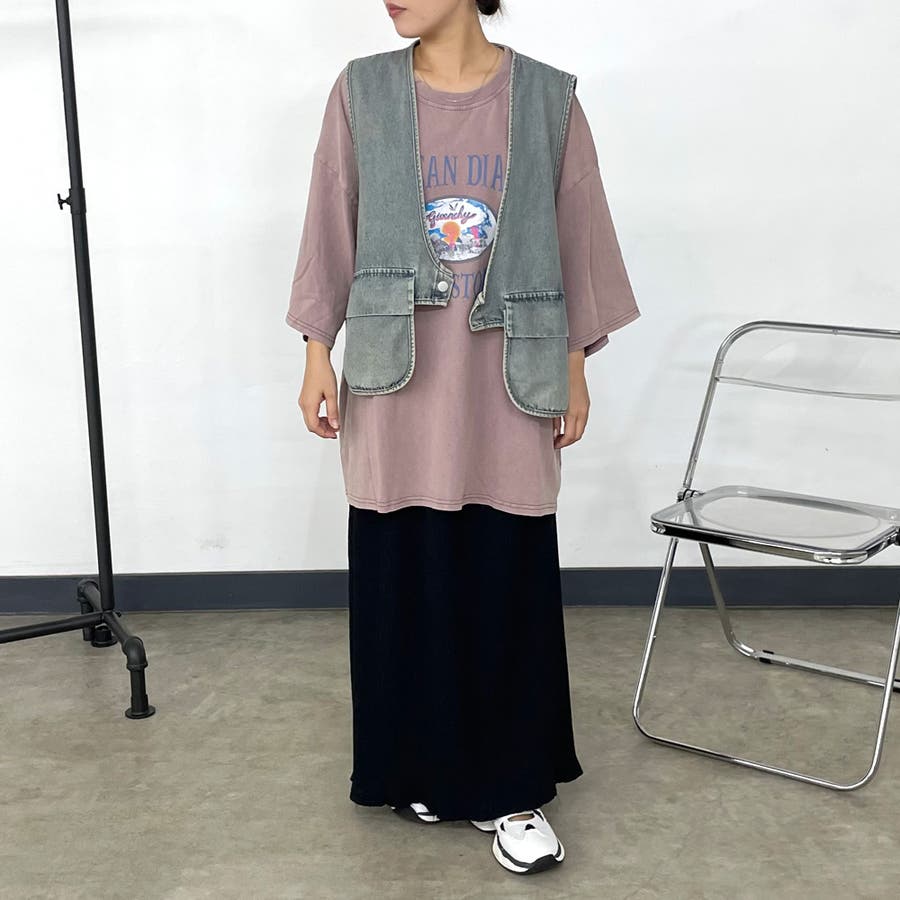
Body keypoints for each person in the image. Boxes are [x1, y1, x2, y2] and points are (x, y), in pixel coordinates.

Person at [285, 0, 640, 876]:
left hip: (508, 386)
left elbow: (578, 236)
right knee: (403, 576)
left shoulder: (549, 99)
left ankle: (512, 790)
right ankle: (420, 768)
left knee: (503, 576)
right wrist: (316, 350)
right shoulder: (360, 92)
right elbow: (331, 220)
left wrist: (576, 367)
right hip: (394, 383)